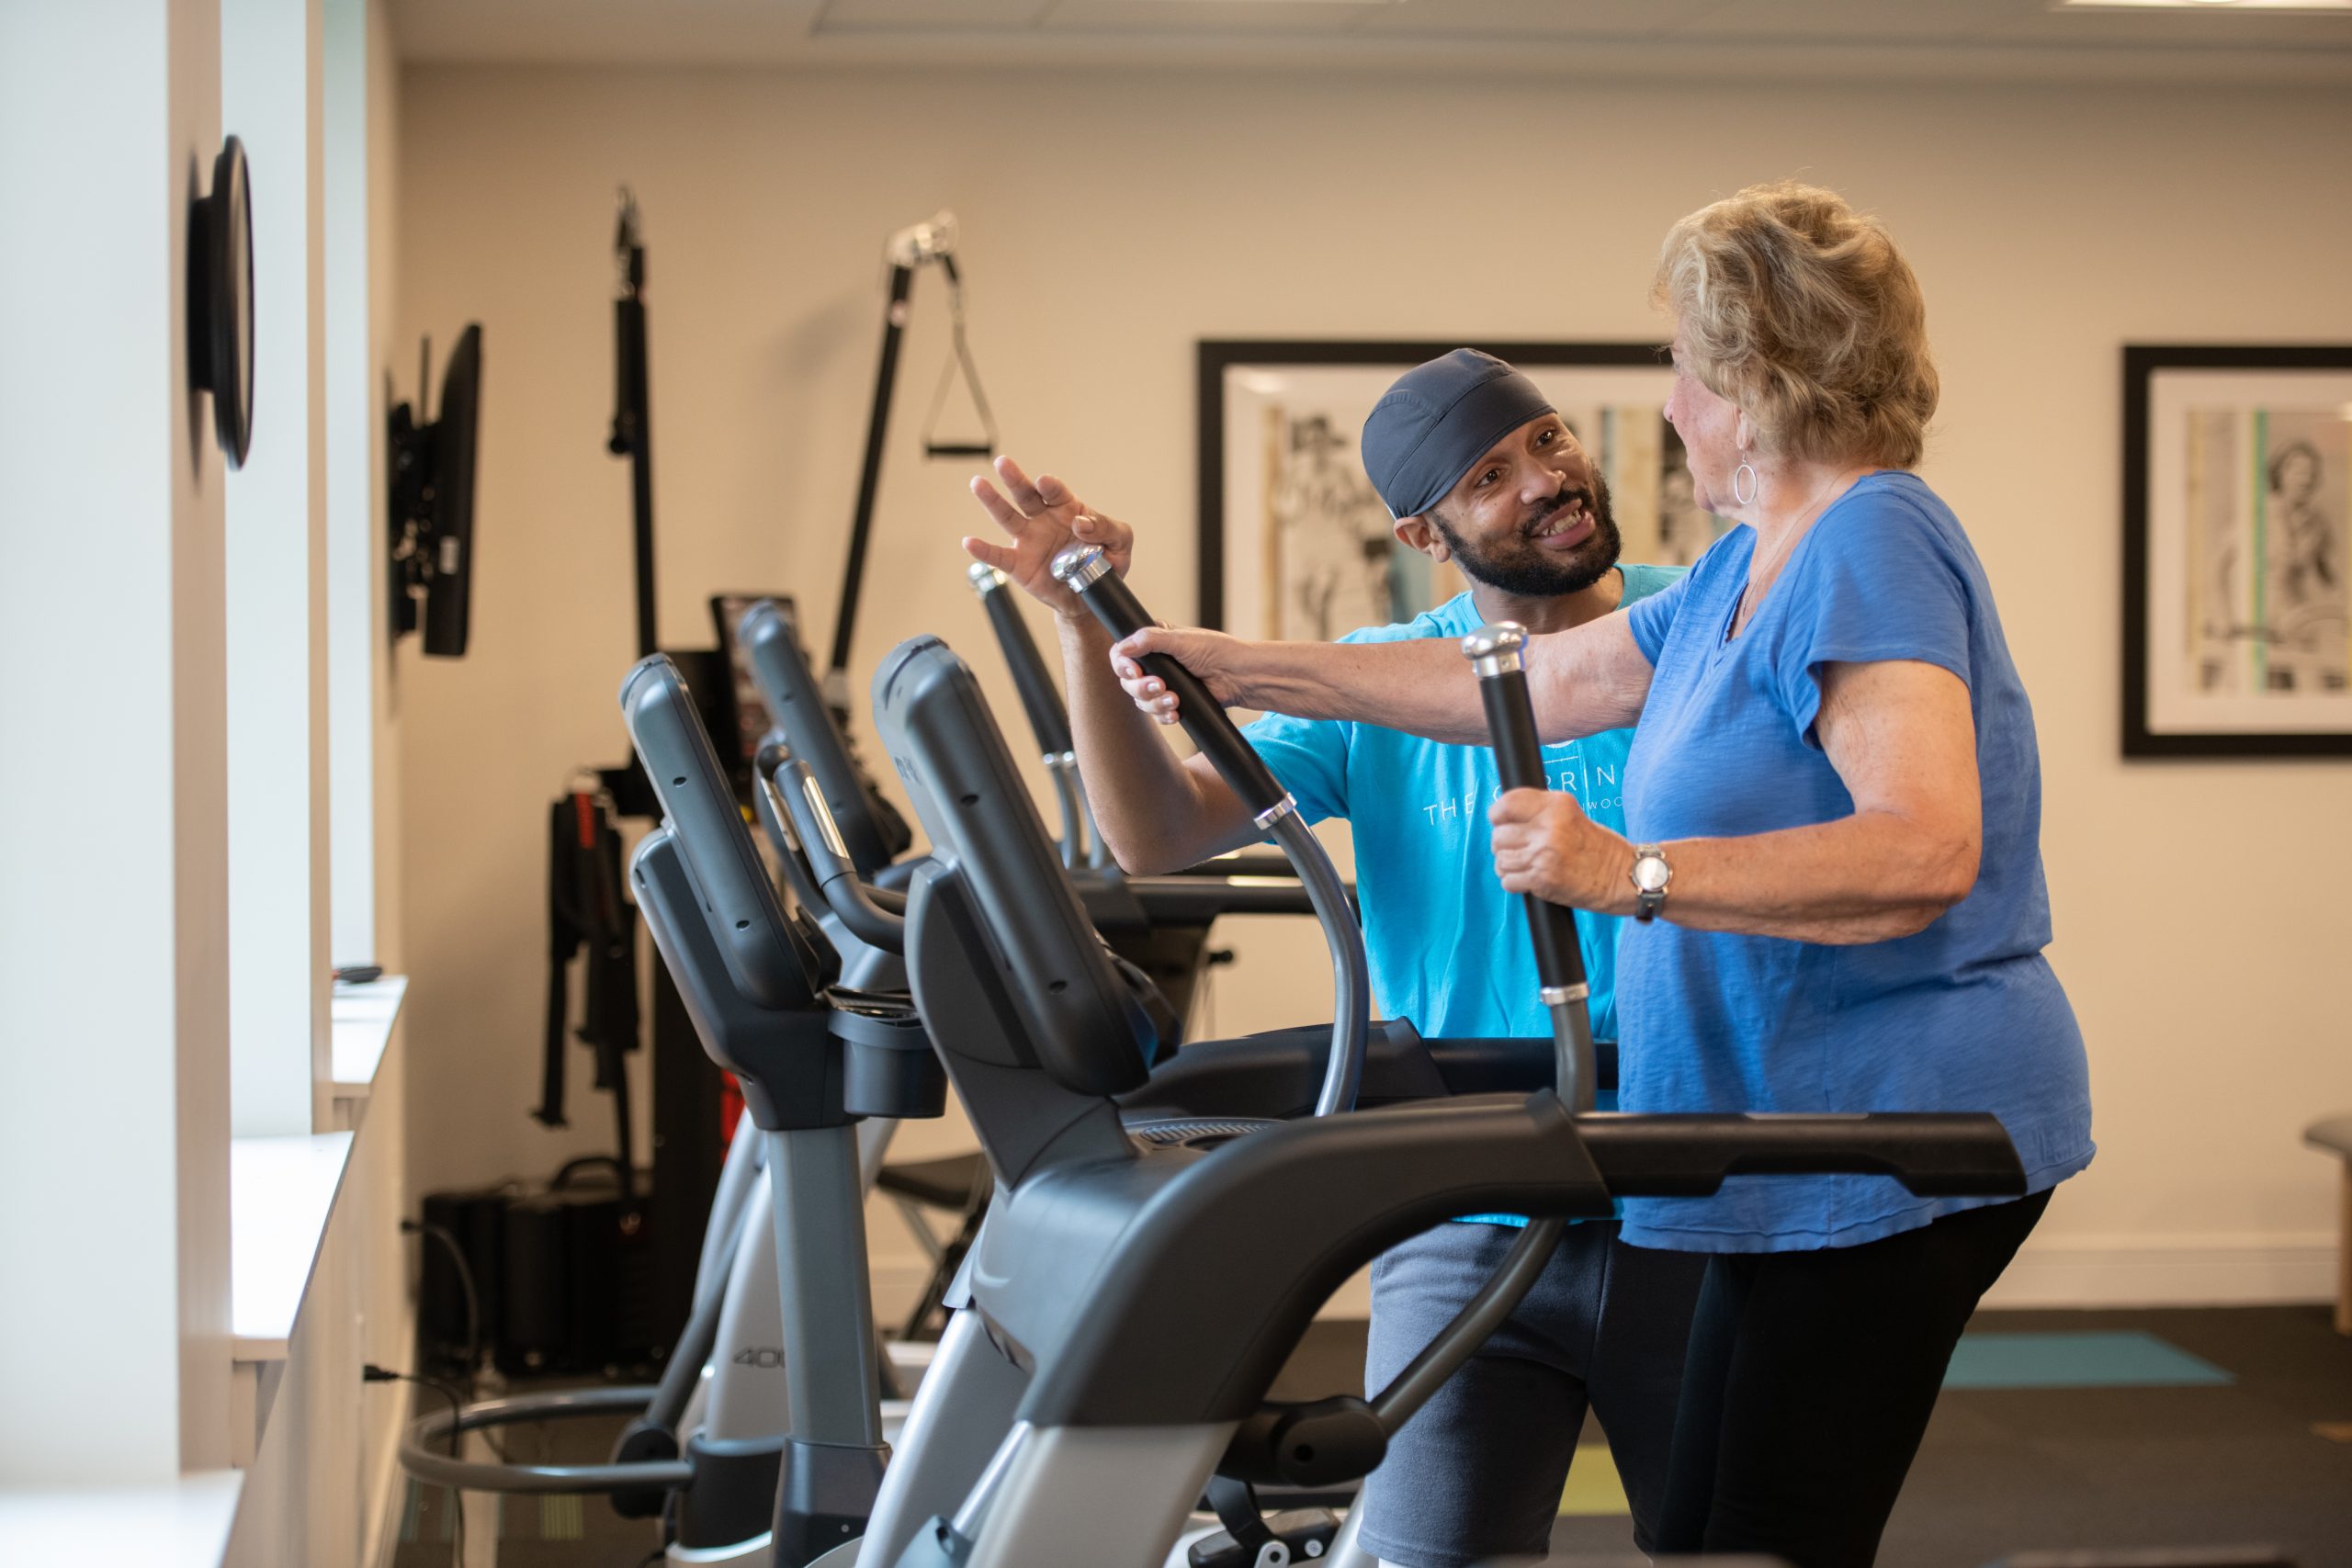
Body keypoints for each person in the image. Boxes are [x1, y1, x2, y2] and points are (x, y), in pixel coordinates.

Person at [1108, 183, 2096, 1568]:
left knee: (1755, 1536)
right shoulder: (1749, 566)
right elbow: (1518, 681)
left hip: (1887, 1120)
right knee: (1704, 1524)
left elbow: (1925, 848)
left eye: (1682, 369)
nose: (1670, 406)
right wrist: (1241, 662)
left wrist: (1627, 868)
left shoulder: (1871, 534)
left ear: (1751, 382)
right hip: (1763, 1132)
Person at [966, 348, 1699, 1568]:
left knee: (1728, 1545)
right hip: (1463, 1200)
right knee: (1425, 1553)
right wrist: (1088, 617)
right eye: (1490, 475)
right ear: (1425, 530)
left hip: (1688, 1181)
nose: (1546, 481)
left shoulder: (1705, 619)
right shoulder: (1381, 679)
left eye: (1550, 443)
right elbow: (1157, 830)